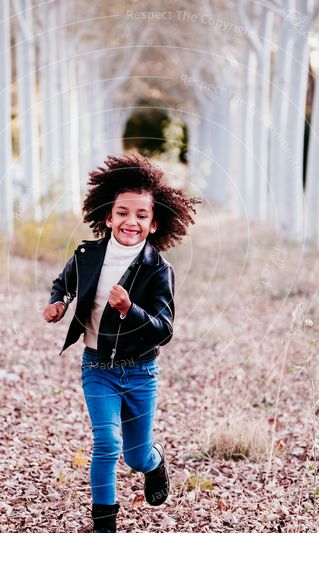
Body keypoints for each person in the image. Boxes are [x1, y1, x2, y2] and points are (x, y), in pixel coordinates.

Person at [43, 153, 200, 533]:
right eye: (123, 212)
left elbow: (164, 329)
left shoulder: (159, 271)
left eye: (141, 215)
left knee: (135, 454)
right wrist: (58, 303)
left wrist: (130, 309)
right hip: (97, 367)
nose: (131, 221)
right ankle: (104, 528)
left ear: (153, 223)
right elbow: (64, 283)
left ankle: (155, 461)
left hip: (141, 372)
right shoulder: (87, 255)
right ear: (108, 216)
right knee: (107, 444)